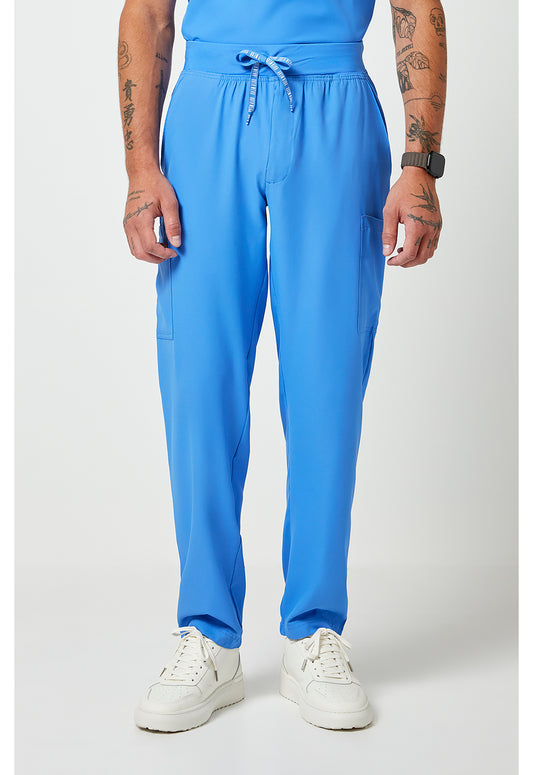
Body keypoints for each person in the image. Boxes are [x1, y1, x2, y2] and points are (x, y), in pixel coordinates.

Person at [117, 0, 447, 732]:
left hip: (333, 104)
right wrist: (141, 167)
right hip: (207, 107)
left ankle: (314, 631)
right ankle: (207, 633)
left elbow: (416, 5)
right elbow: (148, 12)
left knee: (328, 382)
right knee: (199, 380)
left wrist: (420, 165)